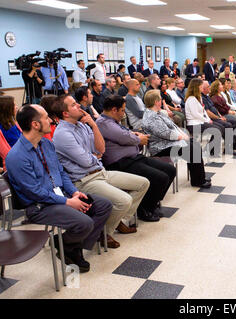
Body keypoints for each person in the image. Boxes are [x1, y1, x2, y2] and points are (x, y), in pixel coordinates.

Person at [6, 104, 112, 273]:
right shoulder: (17, 156)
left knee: (103, 205)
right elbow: (34, 192)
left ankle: (70, 245)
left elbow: (61, 173)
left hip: (61, 196)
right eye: (46, 117)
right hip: (40, 206)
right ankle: (70, 246)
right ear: (35, 124)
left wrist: (73, 192)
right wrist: (67, 202)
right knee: (84, 222)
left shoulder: (46, 144)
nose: (51, 120)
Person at [52, 94, 150, 248]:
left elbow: (101, 149)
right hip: (84, 180)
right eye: (73, 104)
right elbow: (85, 160)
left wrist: (94, 125)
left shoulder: (83, 125)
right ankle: (105, 233)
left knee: (143, 183)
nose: (78, 105)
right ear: (65, 113)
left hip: (100, 171)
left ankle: (116, 221)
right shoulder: (62, 134)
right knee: (124, 200)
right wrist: (95, 156)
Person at [97, 94, 177, 221]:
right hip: (121, 163)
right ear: (114, 110)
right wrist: (138, 139)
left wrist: (134, 136)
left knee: (170, 170)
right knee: (160, 177)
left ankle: (152, 202)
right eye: (122, 110)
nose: (124, 114)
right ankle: (144, 208)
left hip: (134, 158)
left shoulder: (112, 122)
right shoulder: (103, 123)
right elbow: (124, 137)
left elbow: (125, 134)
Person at [142, 90, 211, 188]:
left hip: (167, 142)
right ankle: (198, 180)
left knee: (193, 144)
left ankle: (198, 177)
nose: (162, 101)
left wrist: (182, 135)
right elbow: (165, 133)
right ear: (156, 102)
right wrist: (181, 137)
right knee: (191, 148)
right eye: (161, 99)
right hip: (160, 147)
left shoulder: (158, 112)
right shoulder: (151, 117)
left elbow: (173, 126)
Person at [185, 78, 223, 156]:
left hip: (200, 121)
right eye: (201, 86)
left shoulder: (199, 97)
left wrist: (208, 119)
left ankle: (210, 149)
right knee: (216, 130)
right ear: (196, 87)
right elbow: (195, 114)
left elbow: (204, 111)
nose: (203, 87)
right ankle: (210, 149)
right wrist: (206, 120)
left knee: (220, 127)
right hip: (193, 124)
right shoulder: (191, 99)